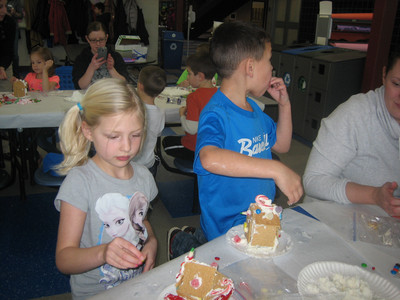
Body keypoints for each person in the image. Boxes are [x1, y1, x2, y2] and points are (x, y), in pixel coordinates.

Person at [168, 21, 303, 260]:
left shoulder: (254, 109)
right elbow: (209, 157)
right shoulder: (216, 113)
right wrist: (275, 168)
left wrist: (285, 105)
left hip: (256, 219)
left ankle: (194, 236)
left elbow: (281, 144)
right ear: (250, 67)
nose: (272, 68)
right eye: (269, 60)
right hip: (226, 228)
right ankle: (179, 241)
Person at [54, 78, 158, 300]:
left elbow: (141, 221)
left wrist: (151, 241)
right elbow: (64, 259)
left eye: (135, 135)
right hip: (96, 293)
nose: (127, 146)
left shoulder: (144, 177)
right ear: (88, 132)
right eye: (114, 136)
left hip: (136, 286)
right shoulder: (80, 182)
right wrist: (103, 253)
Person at [303, 49, 400, 218]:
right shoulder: (355, 114)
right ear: (384, 75)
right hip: (329, 221)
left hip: (380, 225)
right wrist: (374, 195)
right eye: (397, 84)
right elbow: (313, 181)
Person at [163, 52, 218, 161]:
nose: (187, 77)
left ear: (200, 76)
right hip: (215, 146)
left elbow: (191, 129)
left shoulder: (194, 97)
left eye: (189, 73)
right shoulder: (221, 93)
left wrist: (182, 114)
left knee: (166, 142)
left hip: (195, 148)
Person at [72, 21, 129, 90]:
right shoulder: (81, 59)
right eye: (93, 40)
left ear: (106, 37)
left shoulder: (115, 57)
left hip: (112, 94)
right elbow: (80, 87)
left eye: (101, 40)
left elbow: (124, 84)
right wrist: (91, 68)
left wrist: (111, 69)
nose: (98, 44)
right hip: (90, 96)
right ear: (87, 39)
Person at [133, 65, 167, 177]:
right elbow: (158, 133)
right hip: (148, 163)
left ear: (140, 86)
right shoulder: (160, 113)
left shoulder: (131, 111)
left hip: (130, 163)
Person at [0, 0, 16, 91]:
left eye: (5, 6)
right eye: (0, 7)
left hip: (5, 65)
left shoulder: (10, 22)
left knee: (6, 97)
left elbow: (9, 49)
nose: (4, 11)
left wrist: (2, 66)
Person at [7, 0, 23, 79]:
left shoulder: (16, 2)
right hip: (2, 28)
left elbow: (21, 15)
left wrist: (14, 13)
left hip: (13, 29)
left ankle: (16, 74)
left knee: (14, 53)